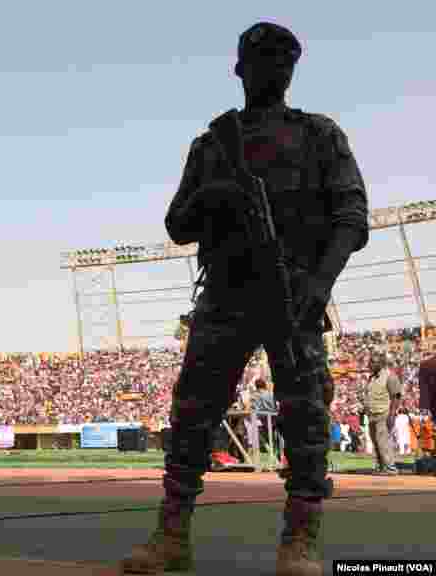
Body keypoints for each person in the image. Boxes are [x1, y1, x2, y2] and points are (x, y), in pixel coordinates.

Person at [118, 23, 368, 576]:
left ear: (294, 69)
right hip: (227, 294)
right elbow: (178, 224)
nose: (275, 69)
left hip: (293, 294)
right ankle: (172, 536)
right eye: (263, 59)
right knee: (191, 420)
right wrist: (216, 195)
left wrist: (319, 283)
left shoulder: (318, 135)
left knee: (305, 422)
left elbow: (352, 216)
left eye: (284, 60)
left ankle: (299, 541)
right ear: (240, 69)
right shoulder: (211, 145)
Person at [364, 351, 402, 475]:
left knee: (383, 441)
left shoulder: (390, 376)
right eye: (369, 362)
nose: (369, 365)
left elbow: (396, 397)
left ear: (380, 364)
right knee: (375, 442)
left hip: (383, 413)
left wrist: (392, 414)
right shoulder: (371, 378)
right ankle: (381, 467)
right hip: (372, 414)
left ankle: (390, 468)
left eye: (372, 362)